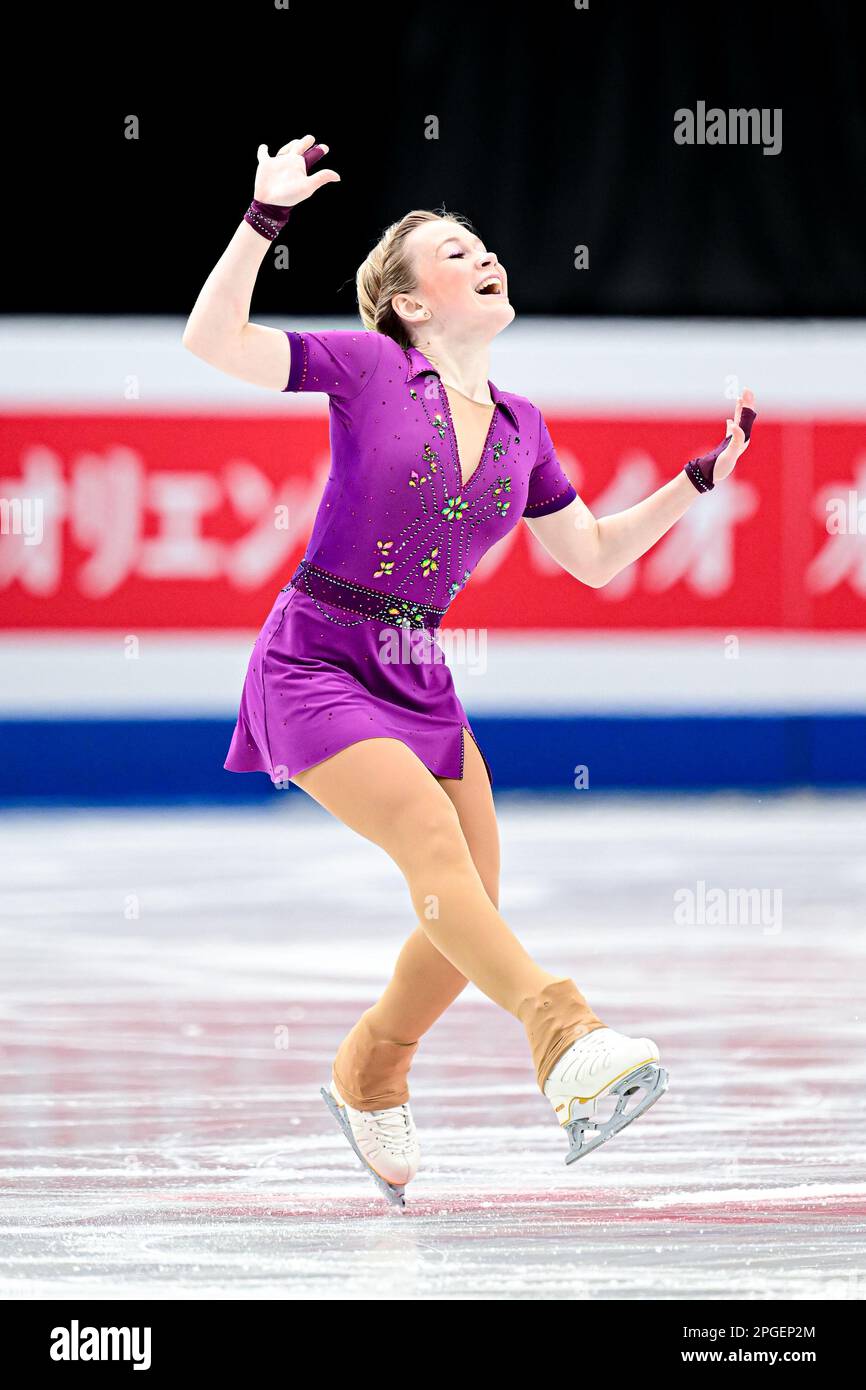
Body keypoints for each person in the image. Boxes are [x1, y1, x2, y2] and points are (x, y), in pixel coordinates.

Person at [182, 135, 756, 1206]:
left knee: (464, 906)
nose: (482, 257)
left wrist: (692, 480)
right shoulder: (365, 369)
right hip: (316, 656)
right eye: (453, 253)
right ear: (405, 303)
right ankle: (562, 1030)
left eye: (481, 246)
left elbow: (587, 557)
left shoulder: (522, 430)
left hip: (417, 671)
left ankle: (369, 1069)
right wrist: (263, 218)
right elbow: (212, 340)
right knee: (435, 854)